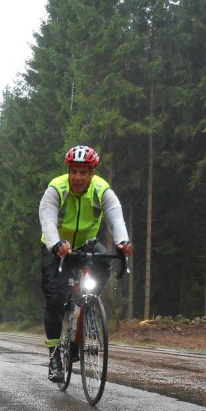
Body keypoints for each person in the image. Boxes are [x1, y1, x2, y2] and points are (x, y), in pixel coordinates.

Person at [39, 144, 134, 382]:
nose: (77, 177)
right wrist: (56, 244)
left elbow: (115, 218)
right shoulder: (56, 189)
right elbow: (48, 219)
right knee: (55, 299)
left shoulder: (102, 191)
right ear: (68, 171)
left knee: (104, 264)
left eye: (84, 172)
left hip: (84, 245)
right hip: (56, 246)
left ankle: (84, 305)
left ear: (93, 173)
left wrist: (123, 242)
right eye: (73, 171)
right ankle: (54, 357)